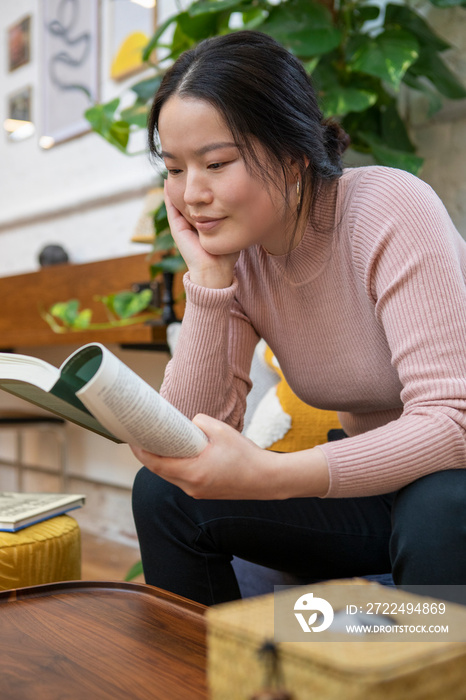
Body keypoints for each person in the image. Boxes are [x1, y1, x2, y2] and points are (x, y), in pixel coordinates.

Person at [131, 30, 466, 606]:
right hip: (377, 494)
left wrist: (270, 475)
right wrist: (209, 282)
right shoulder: (242, 255)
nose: (192, 194)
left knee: (437, 504)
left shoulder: (388, 208)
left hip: (450, 490)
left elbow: (453, 422)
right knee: (166, 494)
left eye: (215, 163)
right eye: (176, 169)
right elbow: (188, 434)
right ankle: (209, 684)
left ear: (292, 156)